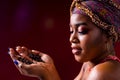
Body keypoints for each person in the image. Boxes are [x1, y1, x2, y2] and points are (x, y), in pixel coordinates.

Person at [9, 0, 120, 80]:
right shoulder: (89, 64)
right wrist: (48, 69)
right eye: (71, 31)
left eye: (82, 31)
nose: (72, 38)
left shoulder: (104, 71)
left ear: (107, 35)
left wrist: (46, 74)